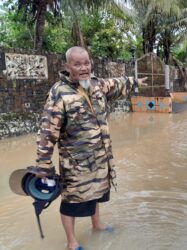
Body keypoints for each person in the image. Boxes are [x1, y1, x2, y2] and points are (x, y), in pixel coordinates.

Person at [30, 46, 147, 250]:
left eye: (87, 63)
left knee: (97, 192)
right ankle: (72, 242)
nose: (84, 68)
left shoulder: (95, 85)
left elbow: (116, 83)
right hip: (76, 164)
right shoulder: (59, 93)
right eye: (77, 64)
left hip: (100, 158)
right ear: (67, 66)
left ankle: (97, 225)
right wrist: (44, 166)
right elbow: (47, 133)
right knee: (72, 201)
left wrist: (135, 81)